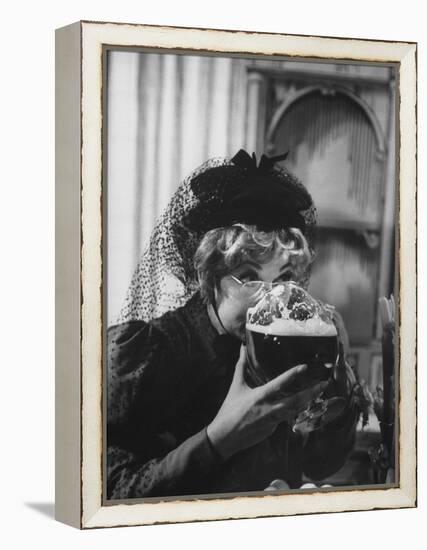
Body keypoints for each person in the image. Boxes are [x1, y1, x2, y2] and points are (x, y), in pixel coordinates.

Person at [107, 149, 359, 499]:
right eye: (248, 276)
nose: (273, 298)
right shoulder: (145, 354)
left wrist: (340, 389)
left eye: (284, 277)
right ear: (208, 276)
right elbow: (108, 494)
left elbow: (320, 464)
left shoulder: (285, 342)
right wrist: (219, 440)